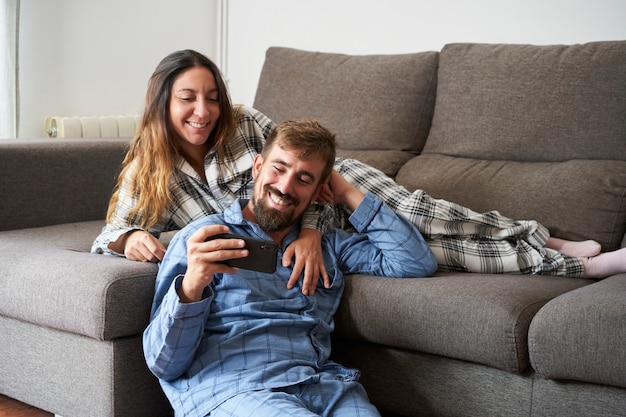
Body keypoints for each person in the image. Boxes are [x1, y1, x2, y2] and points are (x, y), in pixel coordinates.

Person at [92, 49, 626, 283]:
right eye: (188, 98)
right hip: (290, 225)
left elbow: (298, 162)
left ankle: (541, 236)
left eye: (212, 96)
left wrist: (309, 233)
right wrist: (129, 237)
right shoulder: (149, 169)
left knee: (425, 214)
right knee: (438, 255)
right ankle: (574, 268)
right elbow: (109, 233)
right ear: (162, 101)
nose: (203, 111)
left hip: (331, 188)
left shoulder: (245, 122)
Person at [143, 119, 437, 417]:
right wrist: (192, 286)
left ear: (319, 191)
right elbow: (164, 364)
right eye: (279, 168)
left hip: (322, 386)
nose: (285, 187)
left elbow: (415, 262)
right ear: (257, 167)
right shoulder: (204, 239)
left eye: (304, 179)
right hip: (236, 389)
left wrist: (346, 193)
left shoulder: (327, 245)